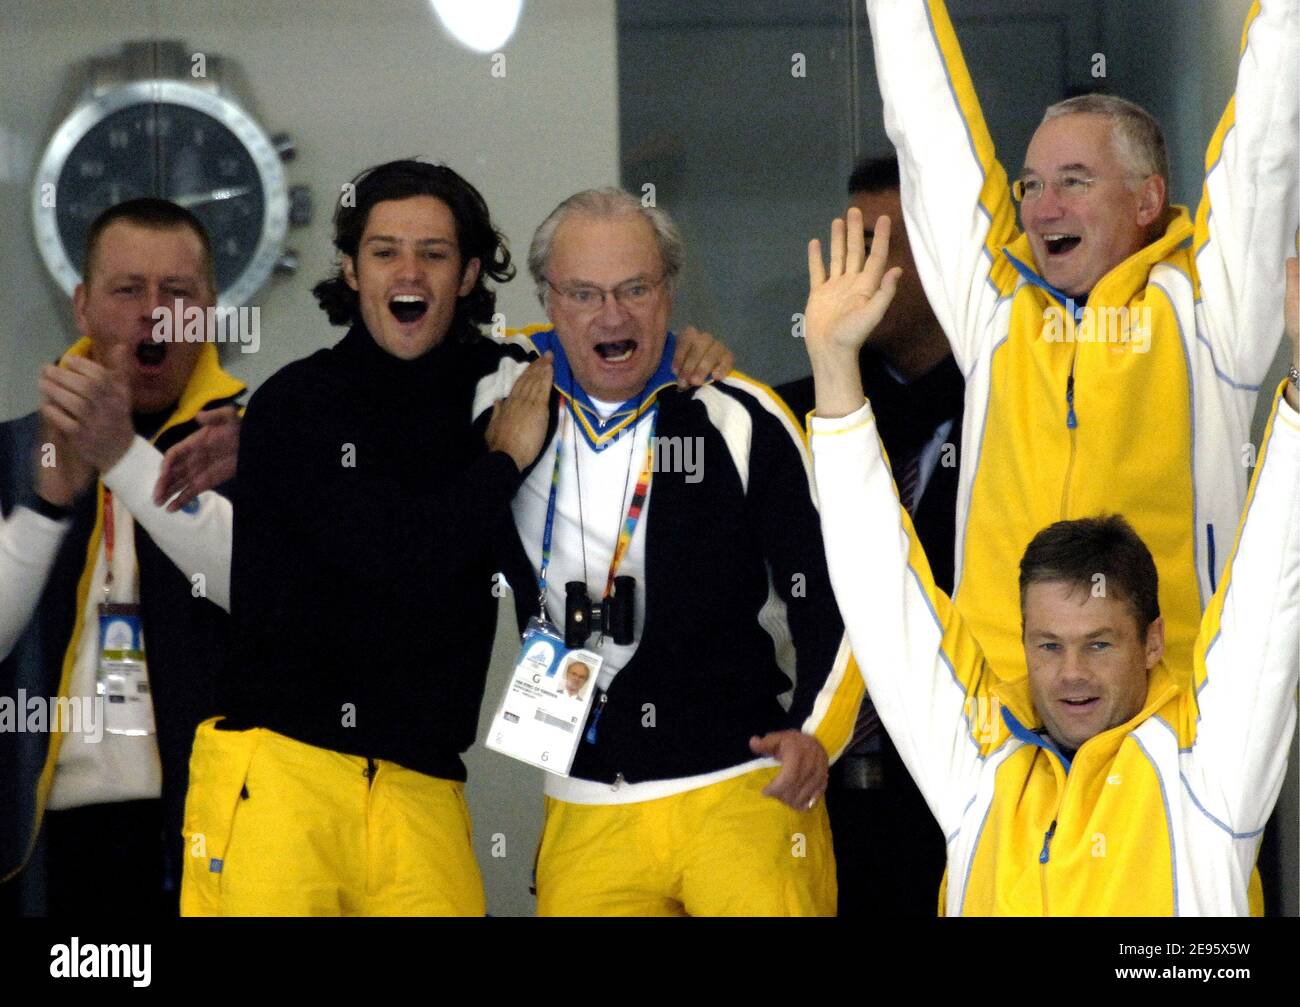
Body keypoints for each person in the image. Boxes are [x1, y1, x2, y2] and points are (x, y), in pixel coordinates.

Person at [177, 161, 732, 917]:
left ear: (469, 273)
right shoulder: (298, 401)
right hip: (281, 772)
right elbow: (402, 557)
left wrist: (688, 355)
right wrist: (502, 460)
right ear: (350, 268)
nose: (410, 271)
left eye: (435, 253)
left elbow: (608, 341)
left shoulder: (509, 378)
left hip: (423, 784)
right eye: (384, 251)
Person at [803, 204, 1300, 915]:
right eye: (1049, 645)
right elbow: (883, 596)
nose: (1070, 674)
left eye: (1099, 643)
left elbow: (1270, 596)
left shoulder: (1206, 763)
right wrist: (832, 365)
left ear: (1153, 641)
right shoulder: (978, 760)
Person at [863, 0, 1297, 694]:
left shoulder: (1209, 309)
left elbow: (1268, 144)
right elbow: (924, 127)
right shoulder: (996, 306)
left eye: (1073, 180)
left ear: (1147, 197)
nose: (1041, 207)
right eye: (1031, 184)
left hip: (1173, 721)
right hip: (1006, 718)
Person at [480, 188, 860, 917]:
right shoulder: (495, 393)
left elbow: (831, 590)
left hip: (739, 789)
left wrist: (816, 731)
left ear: (668, 293)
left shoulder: (738, 413)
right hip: (584, 803)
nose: (612, 315)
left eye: (635, 289)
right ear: (548, 299)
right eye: (584, 293)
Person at [1, 198, 244, 916]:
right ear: (81, 305)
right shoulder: (11, 451)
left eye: (178, 292)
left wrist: (122, 457)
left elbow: (270, 595)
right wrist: (46, 507)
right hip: (34, 847)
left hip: (215, 836)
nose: (154, 313)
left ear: (210, 309)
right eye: (127, 289)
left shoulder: (257, 443)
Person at [778, 154, 954, 916]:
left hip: (964, 786)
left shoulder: (1021, 413)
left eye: (883, 241)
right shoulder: (792, 417)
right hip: (822, 792)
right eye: (850, 239)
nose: (858, 265)